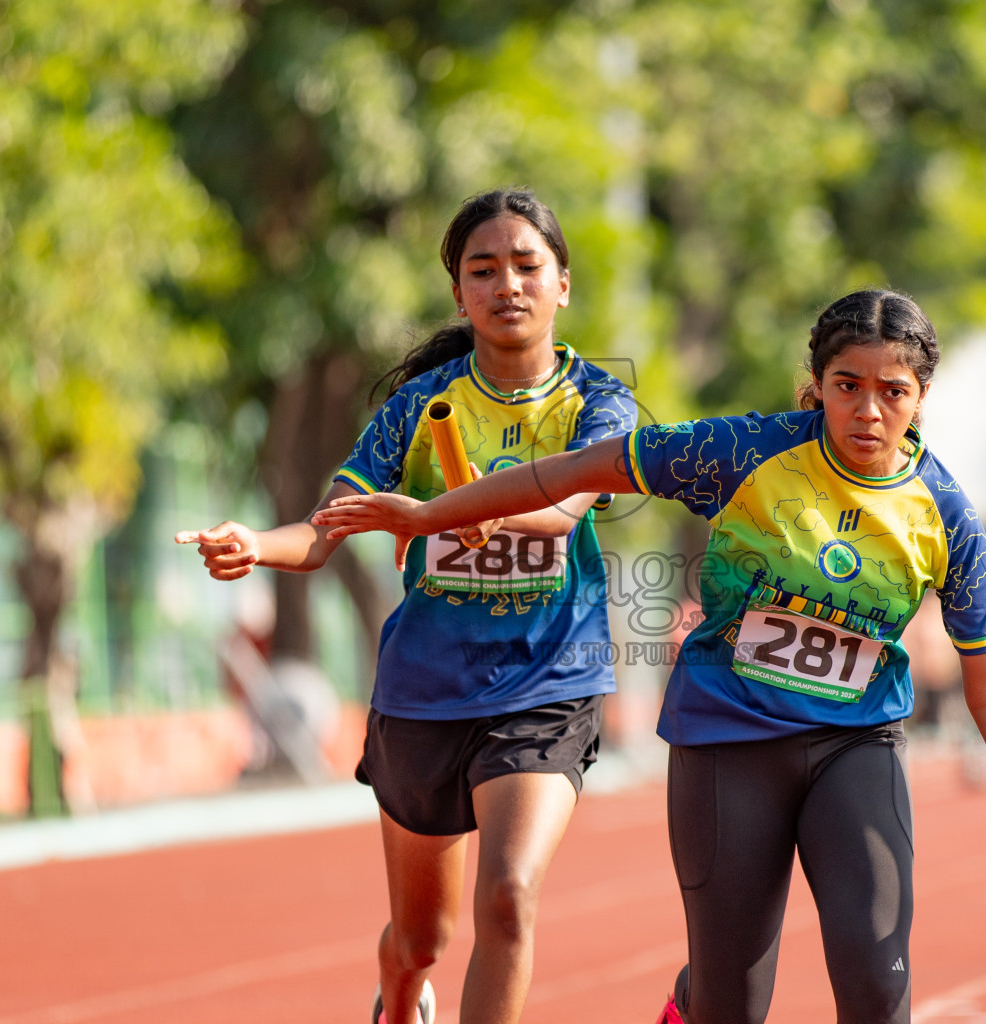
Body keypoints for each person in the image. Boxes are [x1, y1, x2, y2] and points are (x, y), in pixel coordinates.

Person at [316, 287, 986, 1024]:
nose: (869, 410)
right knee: (730, 1006)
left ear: (921, 399)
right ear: (816, 386)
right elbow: (576, 471)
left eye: (894, 391)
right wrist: (431, 513)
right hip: (728, 741)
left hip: (854, 744)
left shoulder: (943, 510)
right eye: (848, 385)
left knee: (879, 987)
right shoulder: (741, 452)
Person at [177, 189, 637, 1024]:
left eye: (528, 266)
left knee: (508, 896)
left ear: (562, 284)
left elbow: (568, 507)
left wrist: (436, 515)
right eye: (483, 270)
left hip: (545, 685)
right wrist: (254, 542)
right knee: (425, 935)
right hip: (424, 693)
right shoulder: (415, 412)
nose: (508, 286)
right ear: (458, 293)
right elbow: (323, 533)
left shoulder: (598, 405)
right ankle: (398, 996)